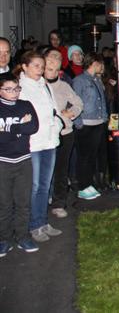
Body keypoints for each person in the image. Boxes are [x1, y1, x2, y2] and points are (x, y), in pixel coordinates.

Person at [17, 51, 63, 242]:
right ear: (25, 66)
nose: (40, 70)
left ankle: (42, 221)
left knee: (45, 184)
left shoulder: (45, 85)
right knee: (34, 186)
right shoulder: (21, 88)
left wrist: (56, 126)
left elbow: (54, 111)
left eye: (42, 67)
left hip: (49, 141)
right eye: (36, 66)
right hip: (33, 144)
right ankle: (33, 225)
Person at [0, 76, 40, 255]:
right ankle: (4, 239)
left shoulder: (25, 105)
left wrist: (9, 129)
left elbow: (33, 127)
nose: (14, 93)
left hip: (24, 160)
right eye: (8, 89)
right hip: (3, 162)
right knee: (4, 204)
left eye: (16, 88)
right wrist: (19, 126)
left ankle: (23, 237)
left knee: (23, 203)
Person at [44, 50, 82, 219]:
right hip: (44, 135)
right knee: (45, 170)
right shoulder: (38, 86)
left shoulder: (64, 86)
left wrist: (71, 113)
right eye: (49, 69)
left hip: (64, 133)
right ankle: (43, 200)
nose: (52, 73)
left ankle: (59, 202)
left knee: (61, 169)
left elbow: (78, 103)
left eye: (56, 69)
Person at [72, 52, 108, 200]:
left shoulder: (97, 80)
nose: (102, 67)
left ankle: (89, 184)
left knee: (92, 156)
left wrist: (104, 117)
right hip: (85, 123)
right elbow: (74, 101)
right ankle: (82, 186)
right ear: (94, 63)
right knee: (84, 156)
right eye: (100, 63)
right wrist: (78, 122)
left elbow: (102, 100)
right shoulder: (79, 80)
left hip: (97, 122)